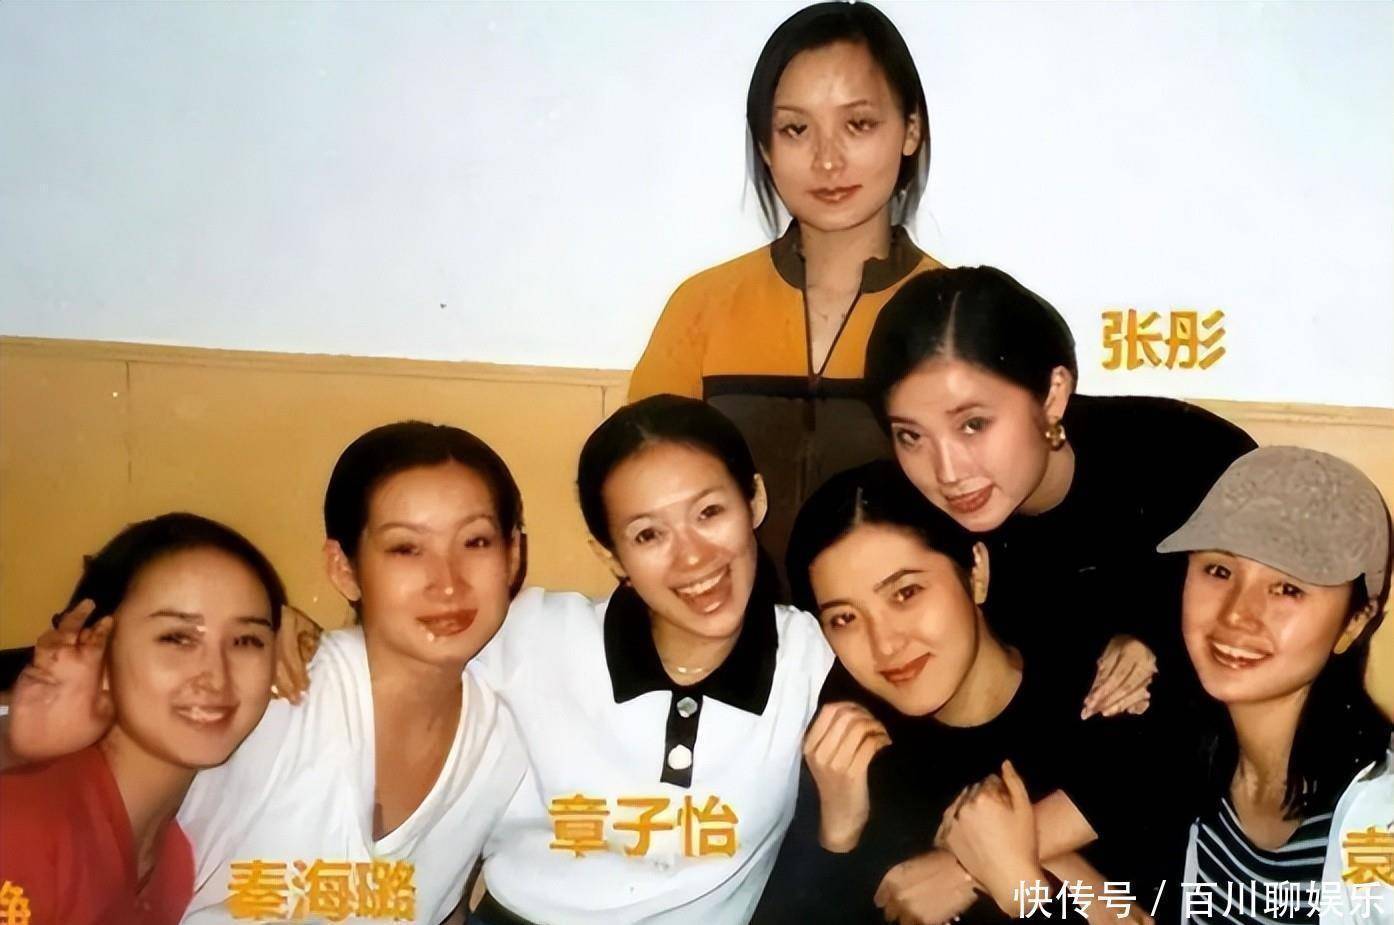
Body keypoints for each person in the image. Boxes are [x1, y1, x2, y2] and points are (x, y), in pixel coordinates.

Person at [6, 421, 531, 924]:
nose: (447, 583)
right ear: (343, 568)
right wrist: (19, 743)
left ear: (513, 554)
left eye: (476, 542)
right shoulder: (275, 693)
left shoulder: (508, 735)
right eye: (405, 548)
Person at [467, 394, 834, 924]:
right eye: (648, 535)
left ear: (754, 500)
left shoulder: (811, 656)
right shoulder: (532, 633)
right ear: (611, 555)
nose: (693, 557)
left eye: (709, 513)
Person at [757, 463, 1169, 924]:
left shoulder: (1111, 695)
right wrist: (838, 834)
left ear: (976, 572)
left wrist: (1014, 884)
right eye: (845, 619)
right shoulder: (848, 752)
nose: (885, 645)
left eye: (906, 592)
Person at [629, 1, 945, 586]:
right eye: (796, 129)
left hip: (888, 634)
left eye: (858, 124)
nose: (827, 159)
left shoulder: (950, 313)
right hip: (726, 627)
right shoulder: (702, 306)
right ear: (766, 146)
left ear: (910, 130)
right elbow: (635, 491)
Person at [863, 265, 1257, 720]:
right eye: (911, 436)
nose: (947, 472)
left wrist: (1162, 643)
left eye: (973, 425)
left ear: (1053, 395)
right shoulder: (910, 528)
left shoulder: (1194, 463)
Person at [0, 513, 285, 925]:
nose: (216, 677)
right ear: (97, 648)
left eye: (246, 640)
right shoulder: (25, 830)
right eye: (177, 638)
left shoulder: (175, 866)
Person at [1156, 446, 1392, 924]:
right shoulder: (1192, 758)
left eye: (1288, 588)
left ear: (1354, 622)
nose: (1237, 614)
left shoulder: (1379, 823)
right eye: (1219, 571)